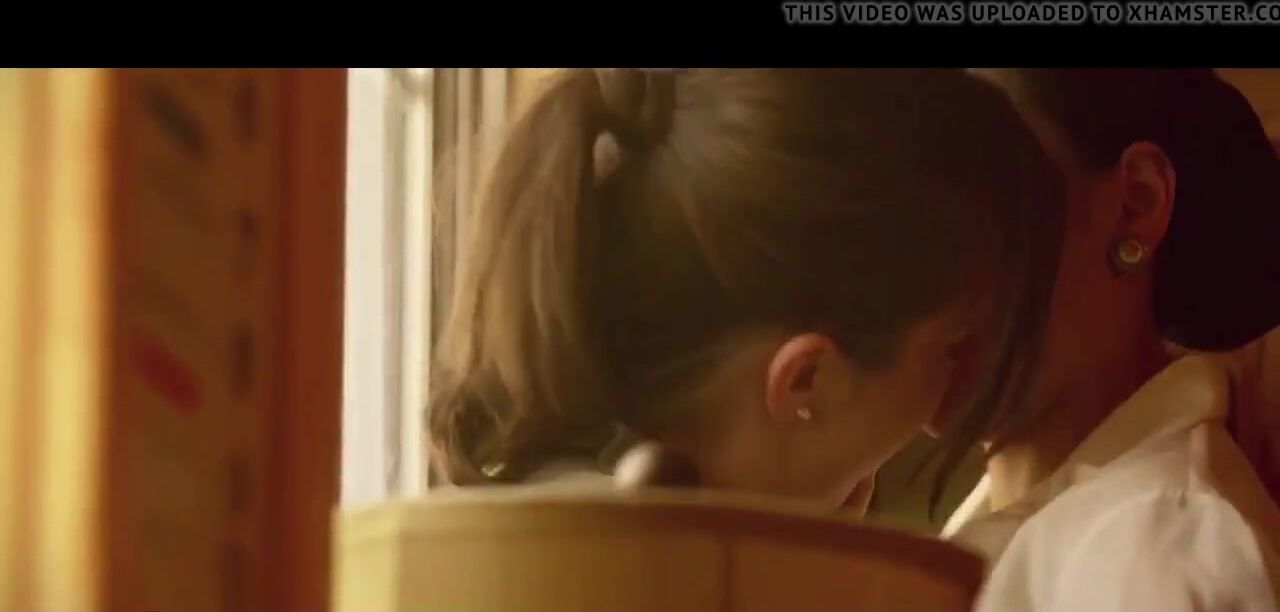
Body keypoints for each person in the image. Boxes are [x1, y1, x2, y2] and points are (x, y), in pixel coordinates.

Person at [426, 68, 1063, 515]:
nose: (950, 403)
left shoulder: (535, 529)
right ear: (807, 381)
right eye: (952, 345)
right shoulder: (658, 581)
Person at [938, 69, 1280, 611]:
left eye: (967, 184)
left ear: (1136, 203)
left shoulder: (1159, 552)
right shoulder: (1033, 518)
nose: (918, 248)